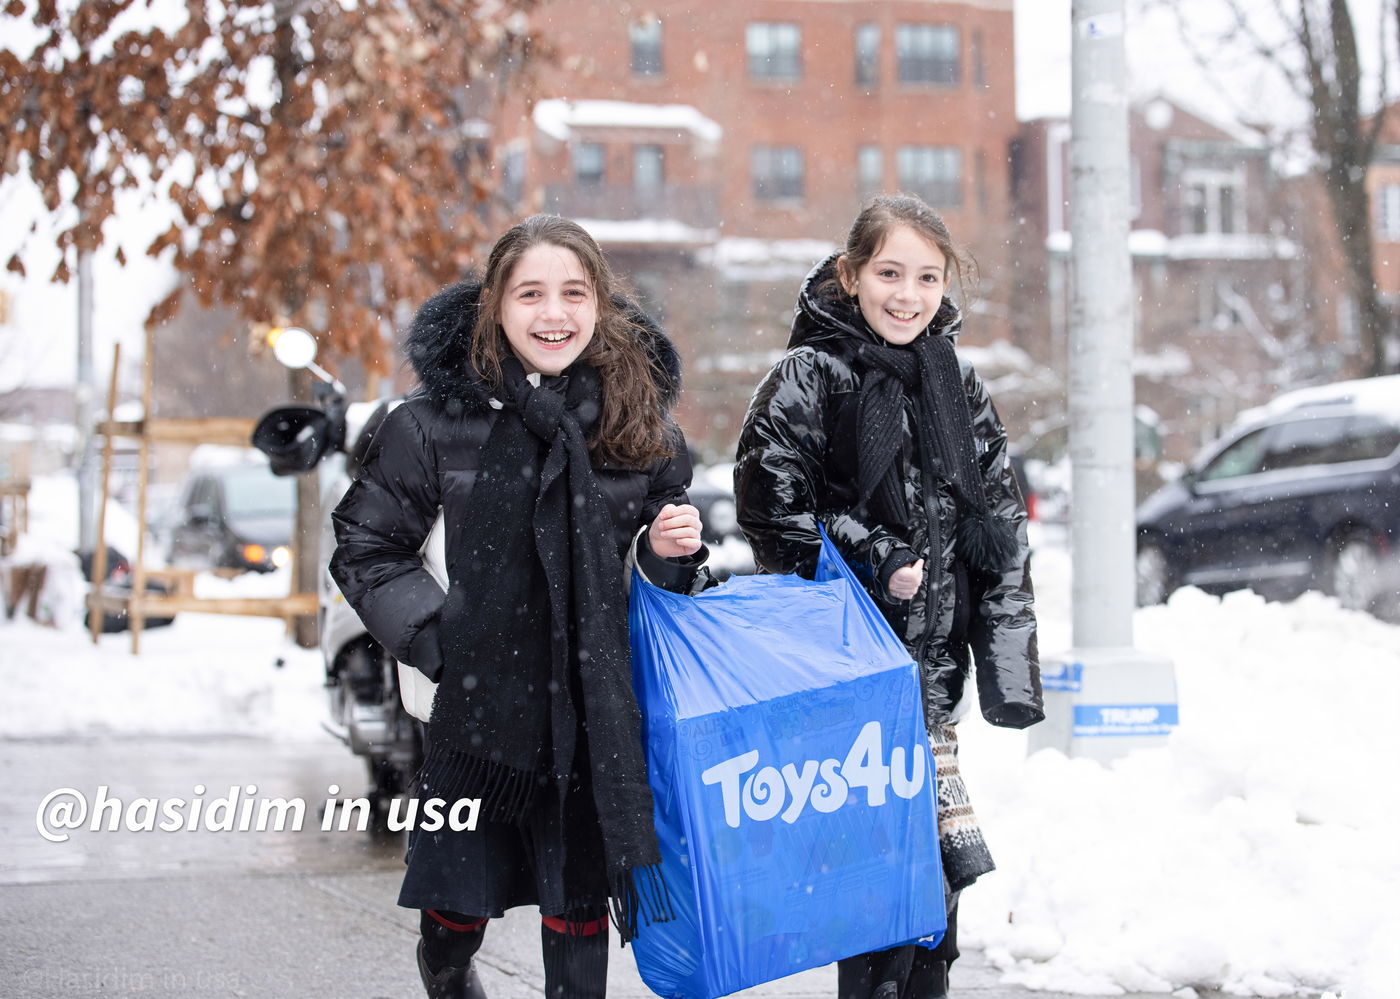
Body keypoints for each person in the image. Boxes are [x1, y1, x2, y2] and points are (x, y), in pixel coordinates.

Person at [330, 214, 707, 999]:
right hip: (475, 717)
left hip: (591, 715)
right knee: (453, 916)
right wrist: (444, 645)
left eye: (573, 292)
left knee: (578, 910)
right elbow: (368, 546)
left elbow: (656, 583)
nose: (553, 313)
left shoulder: (637, 425)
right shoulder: (431, 424)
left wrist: (671, 556)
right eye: (530, 293)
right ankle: (451, 969)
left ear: (599, 304)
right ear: (494, 306)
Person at [733, 194, 1042, 999]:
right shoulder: (812, 375)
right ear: (852, 274)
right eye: (889, 273)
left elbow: (998, 528)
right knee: (877, 911)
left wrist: (1009, 671)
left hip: (930, 687)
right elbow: (769, 501)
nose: (907, 295)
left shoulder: (958, 382)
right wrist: (873, 554)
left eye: (926, 277)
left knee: (936, 910)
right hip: (848, 679)